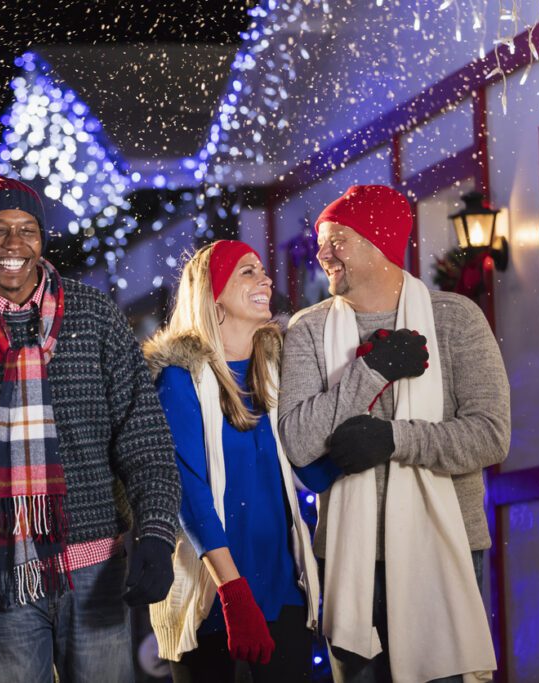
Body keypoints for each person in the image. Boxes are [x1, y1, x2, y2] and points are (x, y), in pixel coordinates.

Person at [0, 175, 181, 682]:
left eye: (27, 229)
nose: (13, 244)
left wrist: (156, 532)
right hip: (3, 575)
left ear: (42, 240)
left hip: (99, 568)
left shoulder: (94, 315)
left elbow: (143, 437)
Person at [277, 185, 509, 682]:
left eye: (336, 239)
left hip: (445, 546)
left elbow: (491, 435)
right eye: (321, 241)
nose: (322, 253)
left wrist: (394, 440)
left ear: (378, 240)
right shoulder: (308, 330)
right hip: (348, 556)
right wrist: (371, 371)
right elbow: (297, 441)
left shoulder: (456, 320)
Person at [143, 240, 339, 682]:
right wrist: (233, 591)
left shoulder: (276, 371)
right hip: (212, 593)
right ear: (214, 295)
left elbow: (308, 469)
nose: (265, 279)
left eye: (263, 270)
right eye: (247, 272)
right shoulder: (179, 381)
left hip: (283, 583)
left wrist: (357, 429)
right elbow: (188, 494)